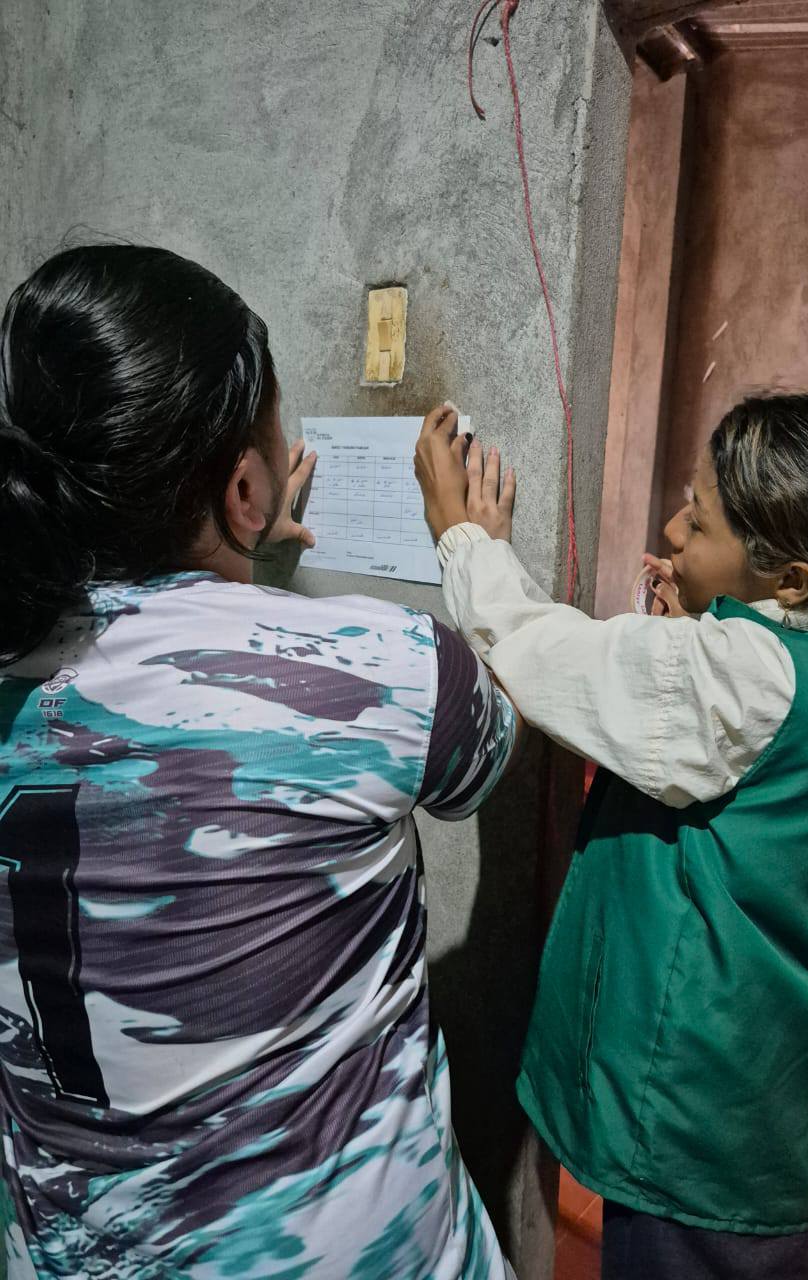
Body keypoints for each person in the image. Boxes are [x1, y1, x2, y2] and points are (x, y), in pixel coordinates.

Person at [0, 245, 522, 1280]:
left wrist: (246, 568)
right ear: (247, 487)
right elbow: (488, 756)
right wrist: (476, 547)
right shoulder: (389, 665)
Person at [415, 394, 808, 1280]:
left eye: (698, 521)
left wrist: (462, 538)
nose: (672, 529)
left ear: (793, 581)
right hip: (772, 1100)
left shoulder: (750, 678)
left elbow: (547, 654)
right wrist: (701, 631)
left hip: (698, 1120)